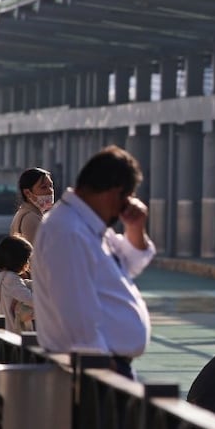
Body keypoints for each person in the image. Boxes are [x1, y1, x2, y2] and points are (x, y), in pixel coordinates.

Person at [32, 146, 155, 379]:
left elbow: (130, 263)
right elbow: (75, 314)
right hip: (96, 369)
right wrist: (104, 370)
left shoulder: (88, 225)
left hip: (103, 364)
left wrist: (135, 229)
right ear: (115, 193)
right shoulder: (68, 231)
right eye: (124, 200)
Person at [0, 235, 35, 333]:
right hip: (14, 330)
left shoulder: (4, 275)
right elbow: (30, 299)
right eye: (27, 259)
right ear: (19, 260)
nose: (28, 264)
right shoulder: (11, 279)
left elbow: (22, 285)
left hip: (7, 328)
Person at [10, 167, 54, 245]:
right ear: (28, 193)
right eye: (43, 187)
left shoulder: (24, 213)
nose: (50, 191)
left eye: (51, 186)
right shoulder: (30, 218)